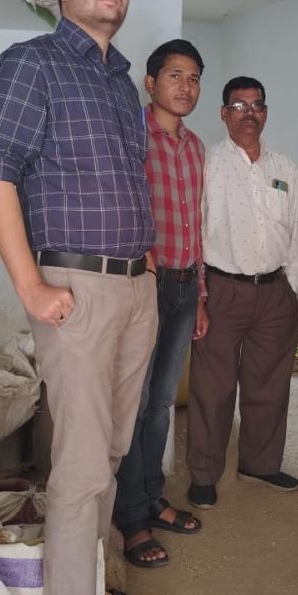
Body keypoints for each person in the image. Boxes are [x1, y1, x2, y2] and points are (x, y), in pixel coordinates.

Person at [0, 0, 170, 595]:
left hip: (134, 287)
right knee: (82, 468)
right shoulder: (32, 64)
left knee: (112, 454)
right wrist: (30, 284)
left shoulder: (121, 82)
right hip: (76, 289)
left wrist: (148, 273)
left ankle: (95, 591)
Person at [186, 76, 298, 508]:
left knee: (269, 385)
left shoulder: (284, 167)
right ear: (224, 114)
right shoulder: (208, 164)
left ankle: (261, 463)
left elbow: (297, 229)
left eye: (256, 105)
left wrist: (291, 289)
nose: (248, 113)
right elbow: (194, 230)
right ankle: (203, 473)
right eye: (238, 106)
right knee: (213, 389)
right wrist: (199, 295)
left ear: (266, 112)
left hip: (274, 291)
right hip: (222, 289)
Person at [114, 39, 209, 567]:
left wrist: (201, 295)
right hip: (143, 283)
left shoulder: (195, 148)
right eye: (175, 75)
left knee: (161, 403)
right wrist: (145, 265)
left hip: (184, 288)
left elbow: (198, 227)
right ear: (150, 83)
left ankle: (152, 498)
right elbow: (122, 206)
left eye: (193, 78)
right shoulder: (132, 135)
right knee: (133, 403)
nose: (185, 86)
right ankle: (130, 517)